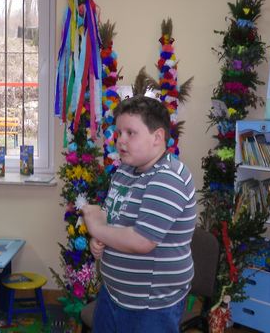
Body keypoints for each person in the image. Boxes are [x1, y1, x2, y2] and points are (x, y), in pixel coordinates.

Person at [82, 95, 197, 333]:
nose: (120, 140)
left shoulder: (168, 177)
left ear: (157, 137)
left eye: (130, 133)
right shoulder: (124, 171)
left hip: (151, 307)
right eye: (119, 132)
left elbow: (142, 240)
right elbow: (112, 216)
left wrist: (96, 229)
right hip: (113, 294)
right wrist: (100, 237)